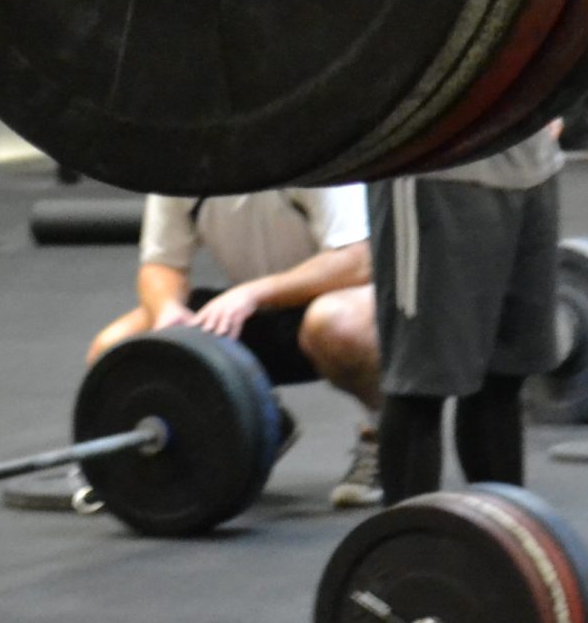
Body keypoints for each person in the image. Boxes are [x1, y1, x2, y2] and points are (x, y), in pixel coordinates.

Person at [88, 187, 382, 508]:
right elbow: (161, 264)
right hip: (253, 307)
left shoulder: (311, 164)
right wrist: (166, 310)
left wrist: (252, 293)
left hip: (341, 299)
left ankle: (385, 433)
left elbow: (357, 260)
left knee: (339, 324)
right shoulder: (180, 170)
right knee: (114, 348)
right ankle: (257, 422)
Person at [369, 128, 564, 505]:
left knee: (504, 376)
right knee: (421, 384)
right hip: (436, 170)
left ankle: (497, 531)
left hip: (533, 164)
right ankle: (408, 539)